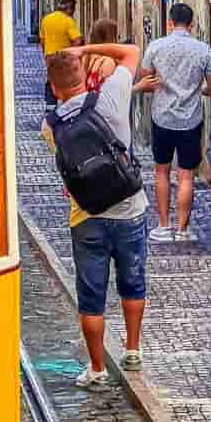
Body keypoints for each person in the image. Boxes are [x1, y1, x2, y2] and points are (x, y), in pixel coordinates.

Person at [44, 43, 148, 390]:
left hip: (86, 216)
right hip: (130, 209)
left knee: (91, 297)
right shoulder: (113, 94)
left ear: (54, 87)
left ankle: (97, 368)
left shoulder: (51, 126)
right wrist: (86, 47)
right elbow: (131, 52)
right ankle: (132, 350)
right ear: (84, 77)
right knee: (132, 281)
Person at [138, 3, 211, 242]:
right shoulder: (204, 51)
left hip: (162, 117)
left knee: (161, 172)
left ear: (169, 22)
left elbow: (146, 80)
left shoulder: (155, 47)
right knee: (186, 175)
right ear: (192, 24)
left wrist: (164, 85)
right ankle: (183, 230)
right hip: (190, 120)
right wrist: (198, 90)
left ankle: (163, 227)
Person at [40, 0, 83, 105]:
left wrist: (45, 54)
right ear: (69, 8)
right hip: (64, 56)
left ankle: (50, 104)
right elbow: (77, 40)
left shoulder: (46, 19)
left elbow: (42, 40)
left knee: (51, 79)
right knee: (66, 80)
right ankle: (67, 103)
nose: (73, 12)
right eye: (73, 9)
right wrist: (73, 53)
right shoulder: (68, 21)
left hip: (49, 56)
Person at [83, 19, 119, 91]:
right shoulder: (108, 61)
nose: (119, 38)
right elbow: (110, 92)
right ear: (110, 37)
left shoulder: (85, 57)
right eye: (117, 35)